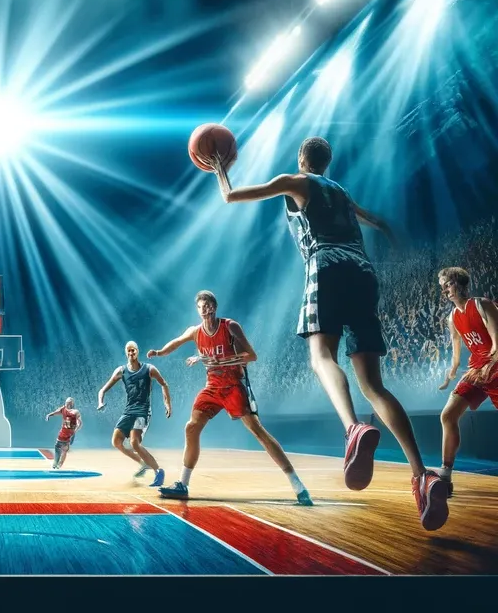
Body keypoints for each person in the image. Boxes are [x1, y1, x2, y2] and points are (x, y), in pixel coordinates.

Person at [212, 135, 448, 531]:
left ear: (302, 158)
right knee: (374, 384)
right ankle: (422, 475)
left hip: (326, 263)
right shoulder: (342, 192)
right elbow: (380, 221)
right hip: (363, 270)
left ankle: (352, 427)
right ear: (327, 162)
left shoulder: (296, 181)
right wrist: (394, 241)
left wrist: (219, 168)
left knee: (321, 356)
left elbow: (231, 197)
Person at [147, 290, 312, 505]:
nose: (204, 309)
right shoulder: (195, 331)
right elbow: (176, 343)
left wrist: (222, 360)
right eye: (200, 306)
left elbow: (251, 355)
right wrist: (159, 353)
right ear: (197, 310)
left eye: (207, 305)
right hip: (213, 387)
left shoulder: (230, 326)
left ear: (214, 307)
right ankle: (183, 484)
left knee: (257, 431)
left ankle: (297, 484)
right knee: (191, 427)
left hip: (234, 385)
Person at [437, 266, 498, 497]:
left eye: (448, 284)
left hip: (496, 365)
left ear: (460, 283)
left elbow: (497, 343)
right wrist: (450, 373)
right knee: (448, 415)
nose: (444, 291)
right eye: (442, 287)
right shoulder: (452, 318)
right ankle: (445, 476)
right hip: (477, 371)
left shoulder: (482, 305)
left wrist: (488, 367)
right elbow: (456, 352)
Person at [97, 341, 170, 485]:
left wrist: (167, 403)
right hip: (129, 410)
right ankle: (143, 463)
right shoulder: (121, 371)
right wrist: (100, 402)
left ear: (138, 351)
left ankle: (158, 471)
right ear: (126, 352)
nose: (131, 353)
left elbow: (164, 383)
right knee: (116, 441)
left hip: (143, 411)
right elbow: (102, 390)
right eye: (129, 351)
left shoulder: (149, 369)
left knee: (134, 443)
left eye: (134, 350)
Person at [45, 397, 82, 469]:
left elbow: (79, 422)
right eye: (67, 403)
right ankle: (56, 463)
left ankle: (58, 464)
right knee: (58, 447)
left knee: (64, 449)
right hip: (63, 433)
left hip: (69, 434)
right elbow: (56, 412)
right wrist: (49, 415)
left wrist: (75, 430)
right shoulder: (64, 409)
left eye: (69, 403)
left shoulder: (75, 412)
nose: (67, 404)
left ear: (71, 404)